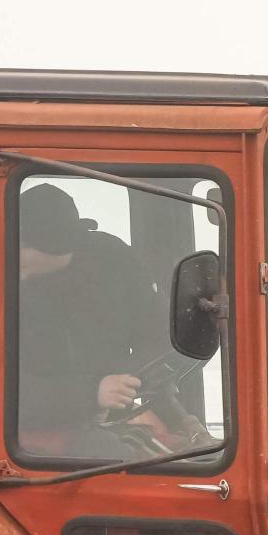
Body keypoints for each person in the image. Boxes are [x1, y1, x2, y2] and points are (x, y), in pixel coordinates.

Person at [14, 183, 162, 456]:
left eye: (20, 246)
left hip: (99, 414)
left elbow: (156, 336)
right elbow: (1, 387)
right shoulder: (0, 284)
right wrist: (91, 393)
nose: (9, 255)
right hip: (25, 433)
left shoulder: (114, 261)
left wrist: (123, 384)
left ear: (53, 244)